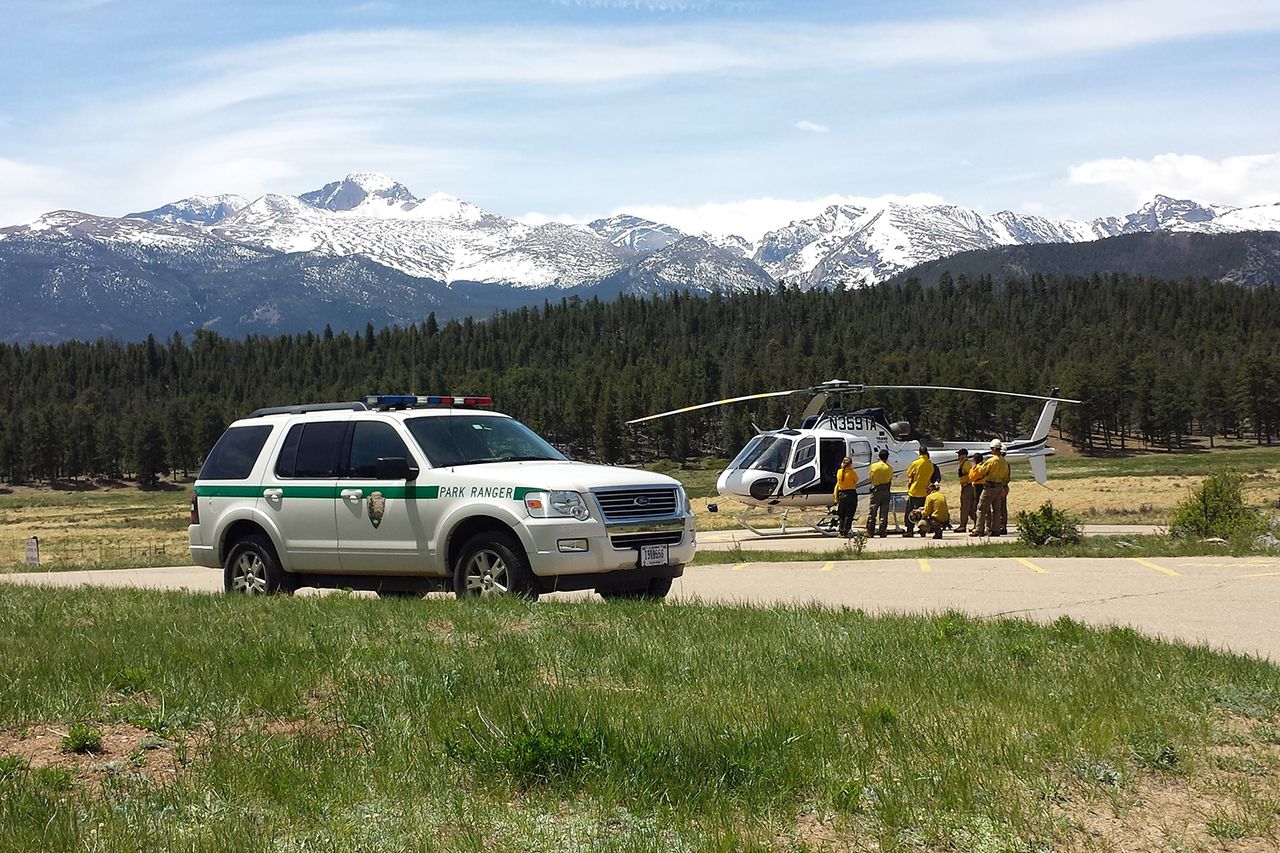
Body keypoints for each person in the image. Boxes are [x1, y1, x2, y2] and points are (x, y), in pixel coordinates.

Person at [972, 439, 1010, 537]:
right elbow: (1006, 477)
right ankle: (996, 530)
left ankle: (979, 529)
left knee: (981, 508)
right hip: (999, 486)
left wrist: (979, 466)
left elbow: (981, 472)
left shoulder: (992, 460)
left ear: (993, 449)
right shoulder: (1004, 462)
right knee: (997, 509)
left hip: (990, 487)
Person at [903, 445, 936, 538]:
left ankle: (910, 530)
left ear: (919, 452)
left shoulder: (916, 463)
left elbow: (909, 474)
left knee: (910, 512)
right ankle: (922, 530)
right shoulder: (930, 464)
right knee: (923, 512)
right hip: (925, 491)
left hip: (914, 491)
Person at [865, 448, 893, 538]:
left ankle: (870, 531)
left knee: (872, 511)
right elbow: (890, 479)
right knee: (884, 513)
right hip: (886, 490)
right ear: (887, 457)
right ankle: (882, 531)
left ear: (879, 457)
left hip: (876, 490)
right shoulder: (890, 468)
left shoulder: (874, 466)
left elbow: (870, 477)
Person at [833, 456, 859, 538]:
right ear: (850, 464)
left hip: (841, 494)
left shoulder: (839, 472)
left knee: (842, 513)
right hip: (851, 493)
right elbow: (856, 480)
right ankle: (847, 530)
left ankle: (841, 531)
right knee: (849, 513)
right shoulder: (852, 472)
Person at [954, 448, 975, 533]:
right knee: (970, 508)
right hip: (965, 487)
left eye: (960, 455)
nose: (958, 456)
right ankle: (977, 523)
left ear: (964, 455)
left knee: (965, 507)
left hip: (967, 488)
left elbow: (971, 475)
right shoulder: (963, 463)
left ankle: (963, 526)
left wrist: (966, 483)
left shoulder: (966, 464)